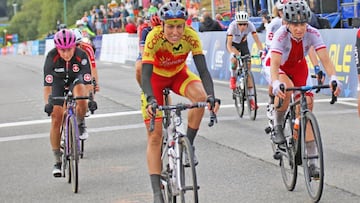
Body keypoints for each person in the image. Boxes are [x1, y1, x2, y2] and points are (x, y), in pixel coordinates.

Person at [141, 2, 220, 202]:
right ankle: (157, 192)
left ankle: (188, 144)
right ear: (163, 25)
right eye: (170, 26)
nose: (175, 32)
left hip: (178, 75)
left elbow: (202, 70)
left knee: (200, 98)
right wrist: (151, 99)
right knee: (155, 136)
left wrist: (211, 96)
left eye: (179, 26)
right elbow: (145, 75)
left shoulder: (191, 36)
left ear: (185, 25)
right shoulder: (154, 37)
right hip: (155, 81)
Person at [269, 0, 341, 168]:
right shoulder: (280, 35)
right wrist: (276, 83)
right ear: (286, 23)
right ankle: (278, 124)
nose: (299, 28)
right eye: (295, 24)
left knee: (306, 108)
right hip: (281, 68)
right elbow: (274, 65)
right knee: (285, 91)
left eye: (302, 23)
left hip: (300, 67)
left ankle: (312, 159)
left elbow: (325, 59)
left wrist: (333, 78)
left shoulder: (313, 33)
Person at [43, 29, 96, 177]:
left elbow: (87, 81)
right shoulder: (51, 57)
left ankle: (79, 122)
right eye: (62, 50)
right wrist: (49, 103)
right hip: (57, 83)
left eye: (69, 49)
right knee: (56, 117)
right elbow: (47, 86)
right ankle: (57, 160)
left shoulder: (81, 56)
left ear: (75, 46)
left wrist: (91, 98)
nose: (66, 54)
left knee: (82, 97)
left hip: (75, 80)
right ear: (57, 49)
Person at [226, 10, 264, 110]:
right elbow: (229, 45)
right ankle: (233, 77)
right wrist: (233, 54)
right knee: (235, 58)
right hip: (233, 44)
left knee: (248, 70)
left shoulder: (250, 25)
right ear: (237, 23)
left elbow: (257, 41)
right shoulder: (232, 26)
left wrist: (261, 51)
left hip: (243, 44)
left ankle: (251, 100)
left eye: (244, 24)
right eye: (240, 24)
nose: (243, 26)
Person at [72, 28, 100, 140]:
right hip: (68, 69)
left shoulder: (87, 48)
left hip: (82, 68)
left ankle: (81, 122)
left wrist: (92, 94)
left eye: (78, 45)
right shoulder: (64, 50)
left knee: (89, 83)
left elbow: (93, 69)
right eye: (74, 45)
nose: (76, 48)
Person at [135, 14, 162, 87]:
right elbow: (142, 47)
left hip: (161, 54)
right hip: (147, 53)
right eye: (154, 25)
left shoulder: (165, 30)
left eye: (159, 24)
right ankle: (143, 87)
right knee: (138, 68)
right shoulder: (146, 31)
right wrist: (144, 59)